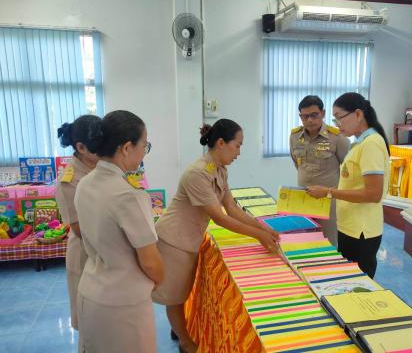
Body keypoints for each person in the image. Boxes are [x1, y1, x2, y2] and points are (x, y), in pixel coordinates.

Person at [152, 118, 280, 353]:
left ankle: (180, 327)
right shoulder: (197, 174)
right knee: (175, 296)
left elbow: (232, 208)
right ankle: (185, 341)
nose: (239, 152)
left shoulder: (219, 170)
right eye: (238, 145)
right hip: (173, 240)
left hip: (189, 239)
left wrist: (263, 227)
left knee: (182, 290)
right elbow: (220, 218)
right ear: (221, 143)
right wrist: (258, 236)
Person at [74, 110, 164, 353]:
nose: (145, 151)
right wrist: (158, 279)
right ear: (126, 148)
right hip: (123, 304)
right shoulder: (129, 196)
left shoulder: (85, 183)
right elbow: (151, 262)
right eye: (144, 145)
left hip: (91, 292)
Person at [306, 93, 390, 279]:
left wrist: (328, 191)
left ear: (358, 114)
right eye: (334, 119)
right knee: (346, 281)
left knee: (357, 284)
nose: (337, 124)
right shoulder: (359, 144)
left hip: (362, 230)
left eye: (339, 117)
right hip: (350, 226)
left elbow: (373, 193)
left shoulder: (372, 144)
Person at [55, 115, 101, 331]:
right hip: (85, 254)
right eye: (99, 145)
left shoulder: (100, 166)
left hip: (106, 251)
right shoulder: (70, 180)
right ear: (81, 147)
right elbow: (79, 228)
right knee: (88, 319)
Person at [290, 95, 350, 246]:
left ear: (322, 113)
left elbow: (348, 171)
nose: (309, 120)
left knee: (327, 241)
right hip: (303, 198)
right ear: (300, 116)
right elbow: (298, 164)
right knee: (305, 239)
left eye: (314, 115)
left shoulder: (337, 138)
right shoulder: (295, 136)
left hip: (328, 201)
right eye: (305, 116)